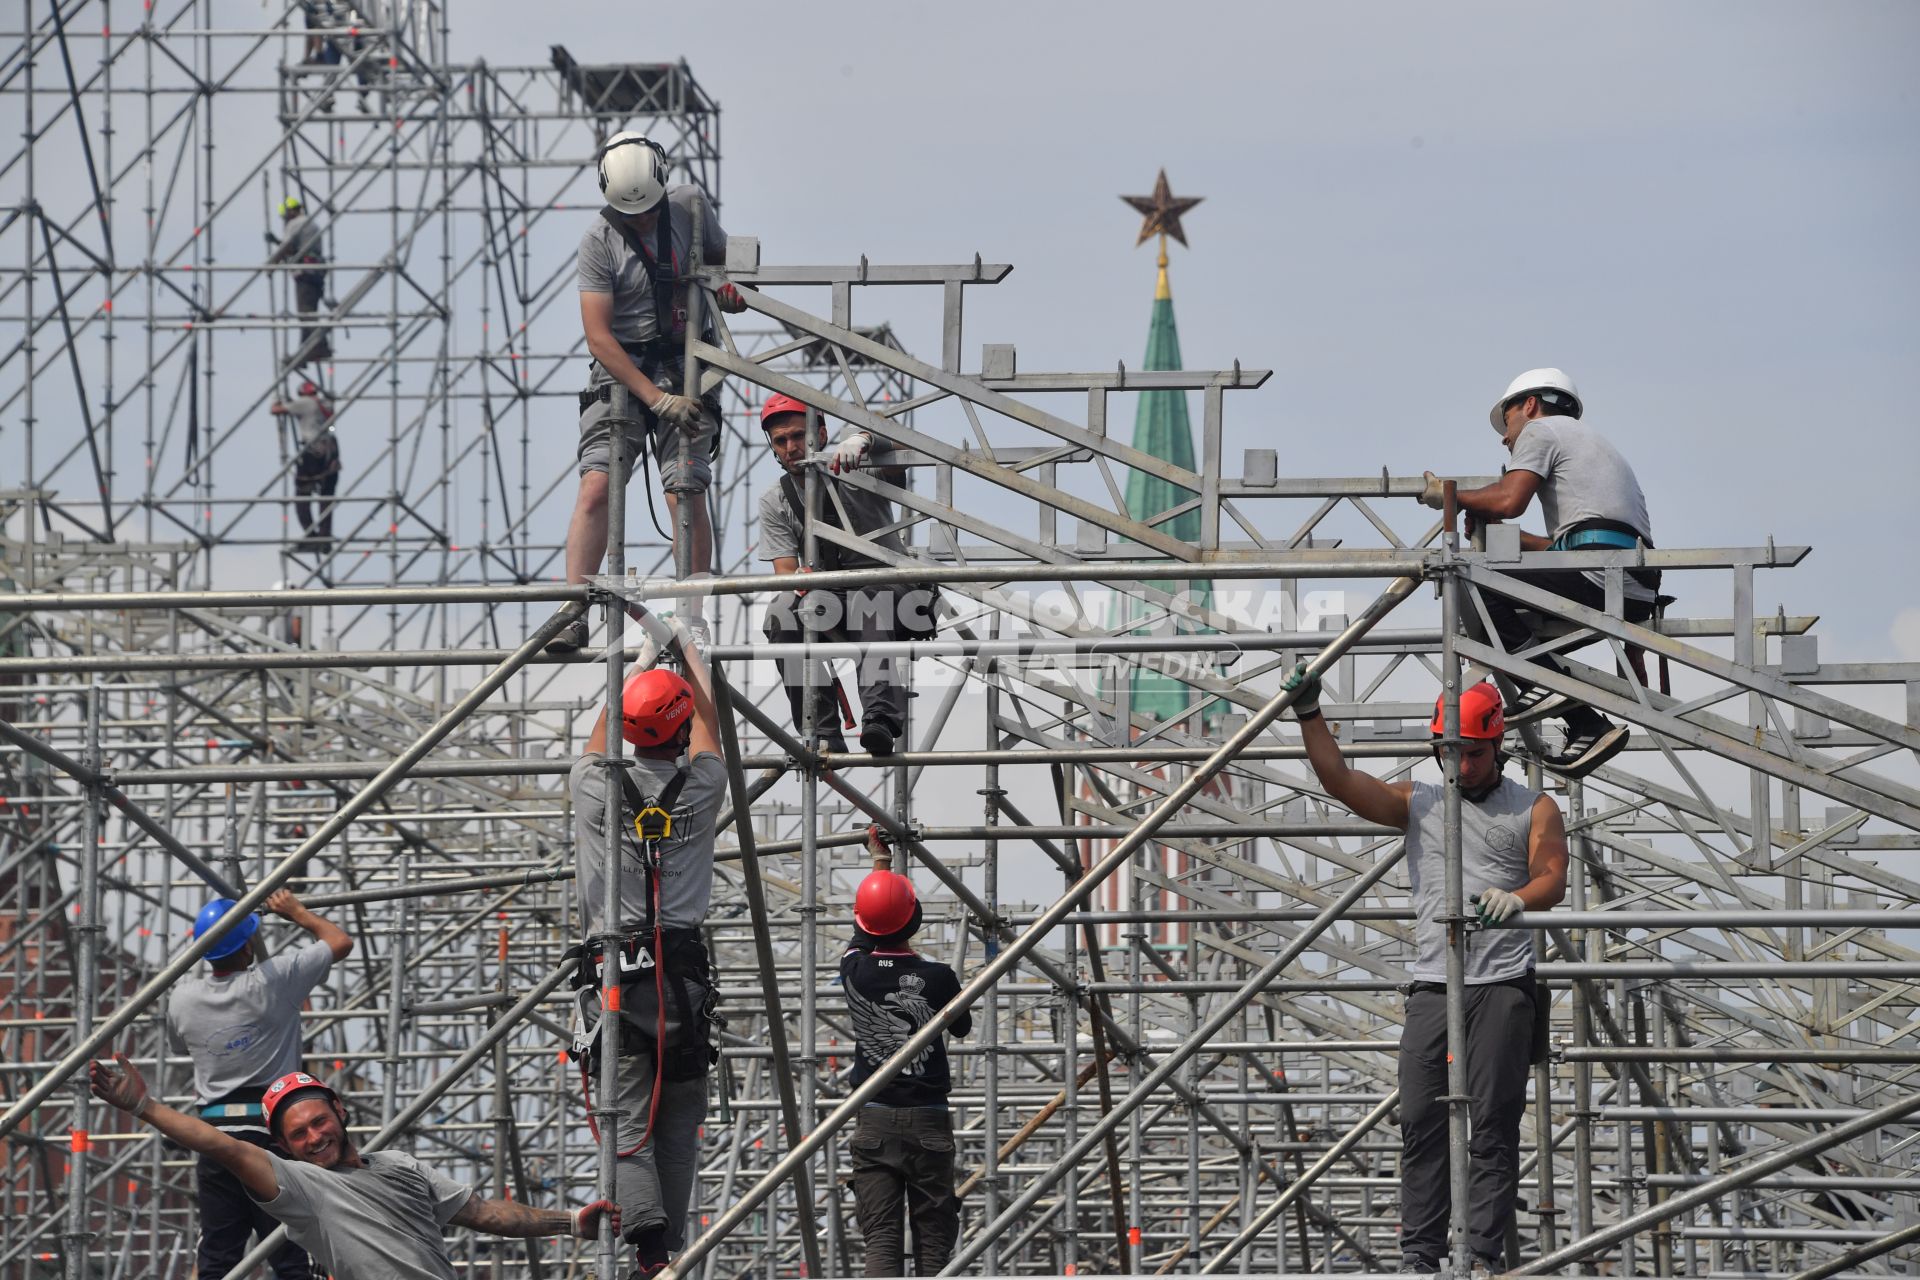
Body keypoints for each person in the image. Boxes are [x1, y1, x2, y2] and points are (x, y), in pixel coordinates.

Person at [1282, 669, 1568, 1275]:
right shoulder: (1422, 802)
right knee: (1420, 1120)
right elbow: (1339, 780)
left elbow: (1552, 874)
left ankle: (1483, 1256)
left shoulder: (1533, 808)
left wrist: (1519, 897)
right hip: (1435, 984)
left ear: (1497, 745)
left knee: (1492, 1122)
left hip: (1501, 987)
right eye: (1447, 751)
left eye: (1470, 753)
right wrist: (1310, 715)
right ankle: (1421, 1256)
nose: (1458, 764)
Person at [89, 1060, 617, 1280]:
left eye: (319, 1122)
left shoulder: (400, 1165)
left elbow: (486, 1214)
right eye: (299, 1135)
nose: (314, 1138)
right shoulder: (303, 1188)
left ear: (339, 1111)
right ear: (284, 1147)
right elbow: (229, 1150)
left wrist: (571, 1223)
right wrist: (144, 1108)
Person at [552, 132, 750, 653]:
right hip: (623, 369)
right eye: (630, 215)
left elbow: (730, 270)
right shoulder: (598, 240)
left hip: (686, 363)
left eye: (648, 212)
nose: (641, 220)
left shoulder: (690, 207)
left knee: (685, 487)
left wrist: (730, 288)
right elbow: (599, 337)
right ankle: (574, 609)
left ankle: (692, 613)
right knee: (598, 486)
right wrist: (657, 399)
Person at [568, 629, 726, 1275]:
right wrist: (694, 660)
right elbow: (711, 734)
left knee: (625, 1119)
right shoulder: (703, 785)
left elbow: (596, 743)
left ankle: (649, 1249)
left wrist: (633, 668)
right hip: (683, 976)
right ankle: (665, 1247)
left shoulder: (592, 787)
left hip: (618, 971)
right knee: (679, 1117)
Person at [1419, 367, 1656, 778]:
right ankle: (1585, 722)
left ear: (1529, 406)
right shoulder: (1592, 444)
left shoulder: (1540, 432)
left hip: (1600, 571)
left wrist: (1451, 496)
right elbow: (1569, 545)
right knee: (1501, 596)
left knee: (1473, 585)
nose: (1505, 437)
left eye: (1507, 421)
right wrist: (1497, 530)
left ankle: (1544, 686)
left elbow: (1511, 501)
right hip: (1627, 578)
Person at [163, 890, 353, 1280]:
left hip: (215, 1137)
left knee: (218, 1254)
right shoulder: (276, 979)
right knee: (292, 1247)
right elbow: (339, 941)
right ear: (249, 945)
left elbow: (180, 1044)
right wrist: (296, 911)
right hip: (274, 1134)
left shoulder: (182, 998)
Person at [757, 393, 936, 756]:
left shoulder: (860, 467)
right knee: (782, 612)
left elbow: (902, 443)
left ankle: (879, 721)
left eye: (797, 436)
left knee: (869, 598)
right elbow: (785, 572)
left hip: (893, 592)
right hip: (831, 597)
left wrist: (865, 438)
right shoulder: (776, 500)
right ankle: (820, 729)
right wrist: (800, 582)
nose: (791, 447)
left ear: (821, 434)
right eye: (781, 441)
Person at [841, 827, 969, 1276]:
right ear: (916, 921)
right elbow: (964, 1028)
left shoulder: (855, 971)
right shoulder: (938, 977)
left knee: (881, 1237)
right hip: (929, 1119)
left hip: (873, 1116)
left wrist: (880, 864)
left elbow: (864, 930)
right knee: (934, 1240)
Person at [271, 381, 340, 550]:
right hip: (331, 454)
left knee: (302, 496)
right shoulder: (327, 404)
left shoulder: (304, 403)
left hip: (312, 452)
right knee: (326, 497)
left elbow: (275, 410)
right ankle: (325, 536)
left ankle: (311, 535)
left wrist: (277, 399)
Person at [268, 197, 329, 364]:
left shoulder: (294, 224)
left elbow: (287, 247)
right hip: (316, 271)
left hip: (305, 272)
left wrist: (271, 264)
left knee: (306, 313)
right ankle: (307, 350)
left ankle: (319, 346)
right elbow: (296, 248)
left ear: (290, 212)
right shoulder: (311, 223)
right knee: (308, 312)